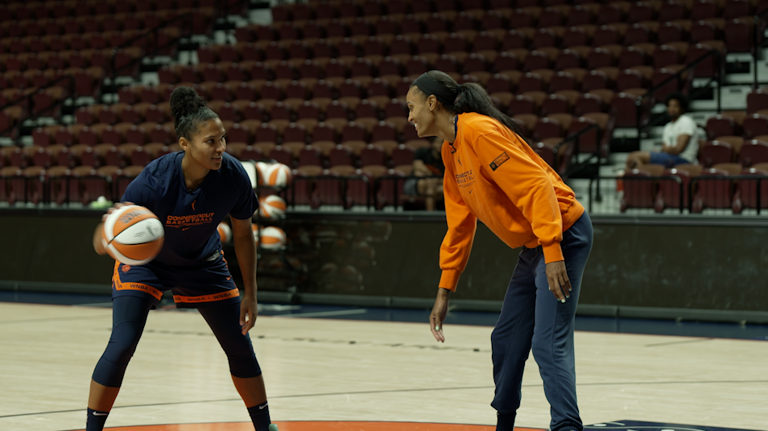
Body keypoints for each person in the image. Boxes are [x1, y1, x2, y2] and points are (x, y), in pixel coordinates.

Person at [407, 71, 593, 431]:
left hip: (562, 233)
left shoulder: (479, 131)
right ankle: (504, 425)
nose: (410, 117)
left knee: (547, 342)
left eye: (411, 107)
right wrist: (445, 289)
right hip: (534, 244)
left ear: (432, 103)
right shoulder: (450, 150)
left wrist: (553, 252)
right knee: (506, 339)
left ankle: (567, 427)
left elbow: (537, 186)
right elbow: (460, 223)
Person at [86, 87, 278, 431]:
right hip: (148, 266)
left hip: (203, 262)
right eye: (210, 141)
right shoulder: (154, 180)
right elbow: (105, 239)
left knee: (239, 345)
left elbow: (245, 234)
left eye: (223, 139)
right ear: (184, 144)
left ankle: (265, 427)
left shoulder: (233, 176)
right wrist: (106, 238)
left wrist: (251, 291)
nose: (220, 148)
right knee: (122, 345)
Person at [625, 92, 701, 170]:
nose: (672, 108)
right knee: (632, 160)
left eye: (675, 106)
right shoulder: (668, 126)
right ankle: (640, 180)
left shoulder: (685, 121)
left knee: (634, 156)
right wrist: (666, 149)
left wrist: (666, 149)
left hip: (683, 160)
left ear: (682, 108)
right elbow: (664, 148)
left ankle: (639, 180)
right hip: (670, 157)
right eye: (669, 106)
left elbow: (678, 149)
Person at [404, 136, 445, 211]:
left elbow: (447, 178)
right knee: (420, 175)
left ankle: (430, 216)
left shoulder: (446, 157)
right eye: (438, 142)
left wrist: (436, 181)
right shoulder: (422, 152)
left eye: (442, 142)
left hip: (436, 186)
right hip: (416, 184)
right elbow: (417, 166)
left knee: (440, 189)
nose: (440, 145)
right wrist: (430, 176)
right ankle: (431, 216)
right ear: (432, 143)